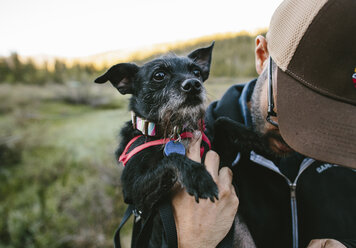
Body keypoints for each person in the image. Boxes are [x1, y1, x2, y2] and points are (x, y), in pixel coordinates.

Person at [172, 0, 356, 247]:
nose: (296, 137)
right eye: (284, 112)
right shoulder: (194, 148)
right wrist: (190, 242)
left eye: (325, 120)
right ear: (262, 55)